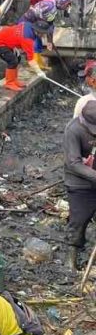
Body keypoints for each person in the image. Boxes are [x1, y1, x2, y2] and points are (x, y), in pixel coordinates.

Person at [63, 101, 96, 270]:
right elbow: (74, 163)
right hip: (79, 182)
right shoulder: (73, 130)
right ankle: (71, 259)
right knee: (79, 219)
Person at [0, 21, 45, 92]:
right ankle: (9, 83)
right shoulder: (27, 39)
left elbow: (17, 33)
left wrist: (14, 46)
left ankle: (14, 80)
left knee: (18, 57)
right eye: (43, 33)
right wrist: (39, 72)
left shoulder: (28, 24)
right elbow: (31, 60)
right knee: (12, 61)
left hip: (7, 41)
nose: (44, 35)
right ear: (38, 32)